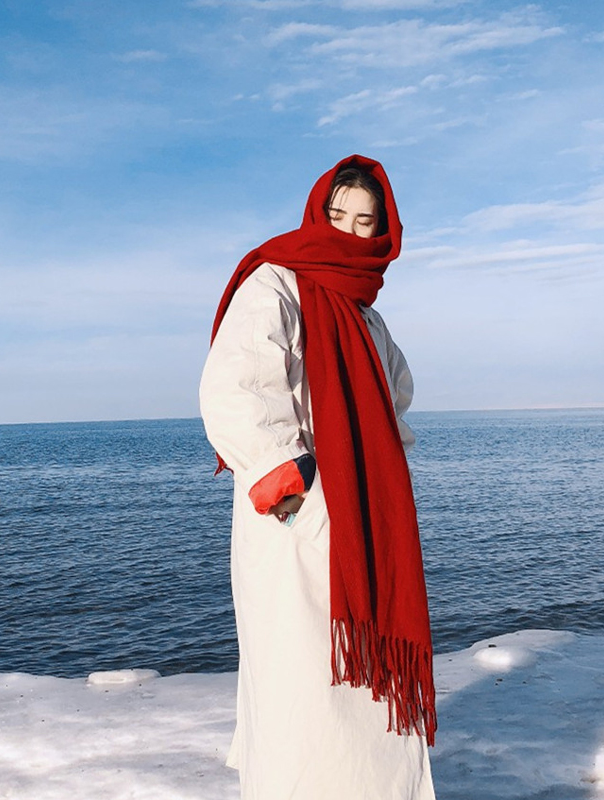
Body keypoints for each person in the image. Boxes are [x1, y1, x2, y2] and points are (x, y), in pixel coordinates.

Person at [199, 154, 437, 800]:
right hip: (297, 527)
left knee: (364, 712)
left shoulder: (367, 317)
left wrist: (376, 476)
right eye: (339, 217)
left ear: (383, 235)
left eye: (366, 223)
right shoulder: (275, 284)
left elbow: (396, 398)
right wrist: (294, 486)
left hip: (360, 519)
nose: (351, 233)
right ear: (316, 214)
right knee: (298, 699)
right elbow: (235, 386)